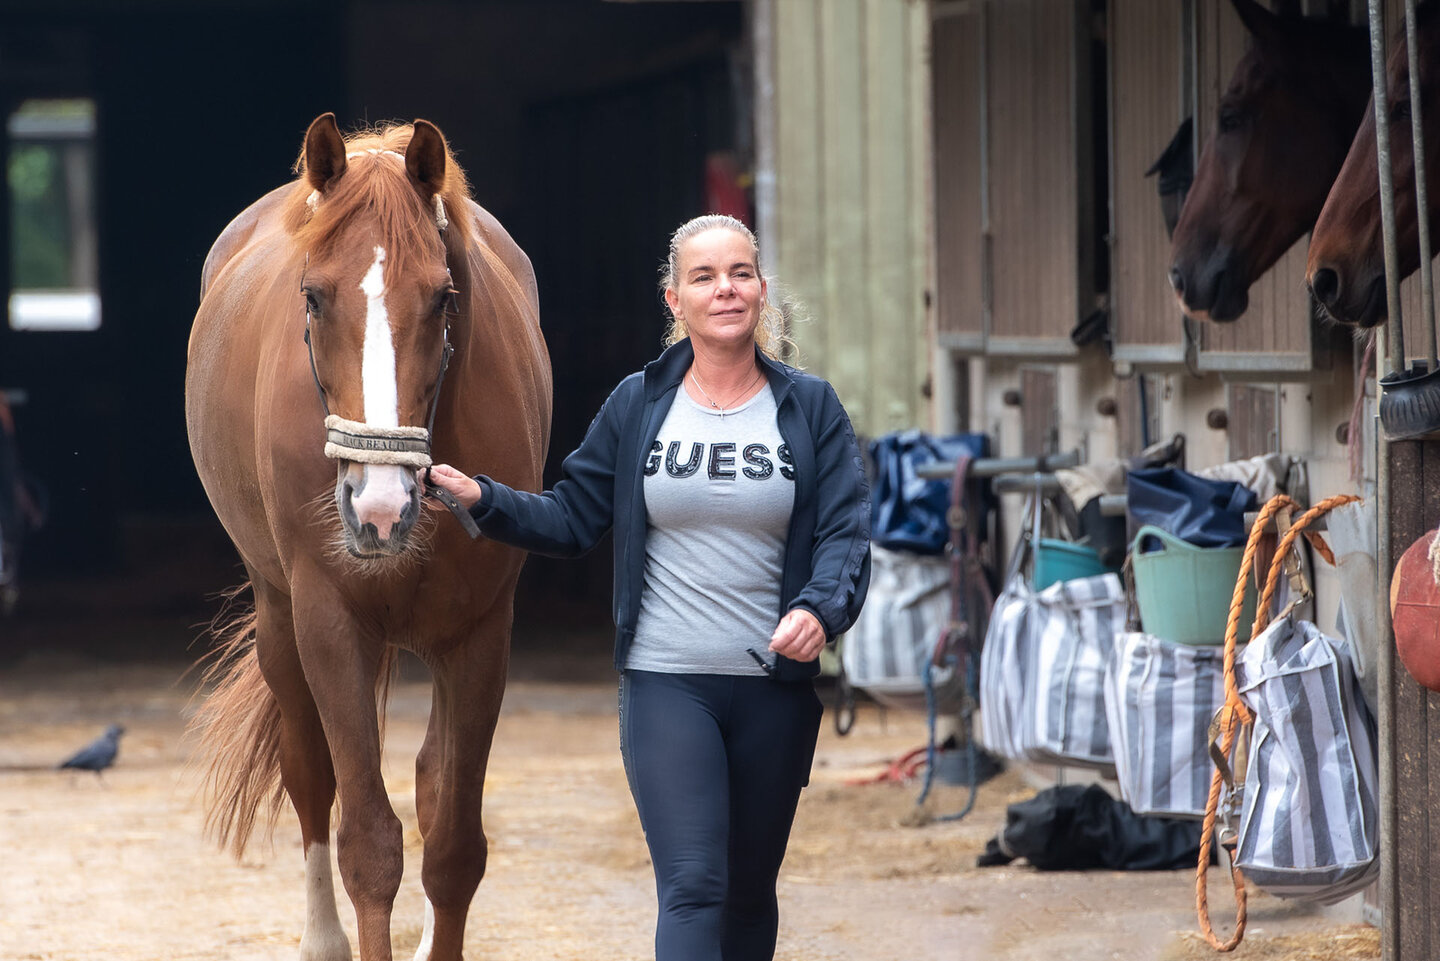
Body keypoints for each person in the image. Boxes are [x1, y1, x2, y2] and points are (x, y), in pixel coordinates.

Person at [423, 213, 871, 960]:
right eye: (704, 277)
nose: (724, 289)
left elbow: (844, 537)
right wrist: (485, 498)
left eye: (740, 273)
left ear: (761, 290)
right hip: (668, 684)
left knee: (749, 893)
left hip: (774, 689)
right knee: (695, 884)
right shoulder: (640, 404)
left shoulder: (810, 407)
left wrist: (818, 611)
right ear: (675, 300)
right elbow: (572, 518)